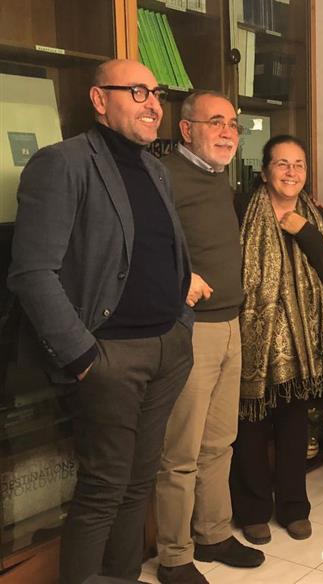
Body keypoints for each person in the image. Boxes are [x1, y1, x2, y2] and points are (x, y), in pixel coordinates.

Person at [7, 59, 194, 584]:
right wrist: (84, 356)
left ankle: (122, 576)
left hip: (168, 346)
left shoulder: (155, 169)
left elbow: (166, 253)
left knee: (138, 482)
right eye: (137, 91)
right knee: (104, 487)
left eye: (156, 93)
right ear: (98, 99)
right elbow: (32, 272)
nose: (152, 103)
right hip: (110, 356)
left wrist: (181, 323)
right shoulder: (62, 163)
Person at [155, 92, 264, 584]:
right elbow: (140, 246)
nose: (227, 132)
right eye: (215, 122)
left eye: (233, 124)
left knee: (220, 442)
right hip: (190, 330)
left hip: (229, 324)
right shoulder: (165, 176)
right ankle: (175, 556)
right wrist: (181, 280)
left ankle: (213, 533)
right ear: (186, 129)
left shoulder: (219, 178)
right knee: (181, 452)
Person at [229, 135, 323, 544]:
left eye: (299, 164)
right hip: (251, 340)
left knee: (294, 427)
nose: (291, 172)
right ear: (265, 172)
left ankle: (294, 508)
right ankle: (253, 511)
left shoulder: (317, 217)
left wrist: (305, 231)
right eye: (282, 163)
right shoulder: (240, 210)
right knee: (250, 427)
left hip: (301, 345)